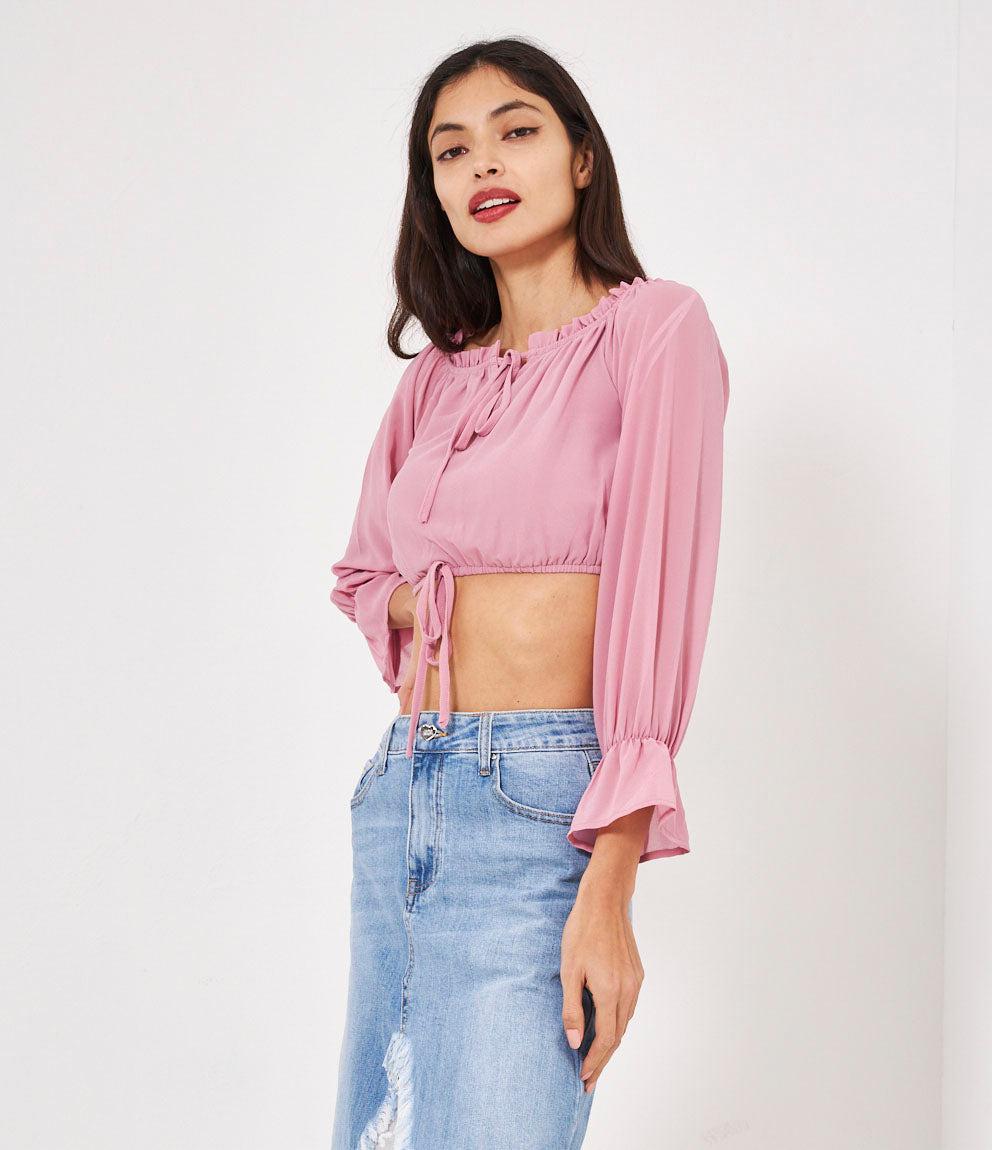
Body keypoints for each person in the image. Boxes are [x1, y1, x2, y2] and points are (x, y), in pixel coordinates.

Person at [328, 37, 730, 1150]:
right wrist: (436, 601)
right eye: (450, 150)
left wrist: (611, 883)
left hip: (541, 804)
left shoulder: (654, 331)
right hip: (403, 791)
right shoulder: (437, 377)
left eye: (515, 131)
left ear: (581, 158)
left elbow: (659, 587)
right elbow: (362, 576)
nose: (483, 165)